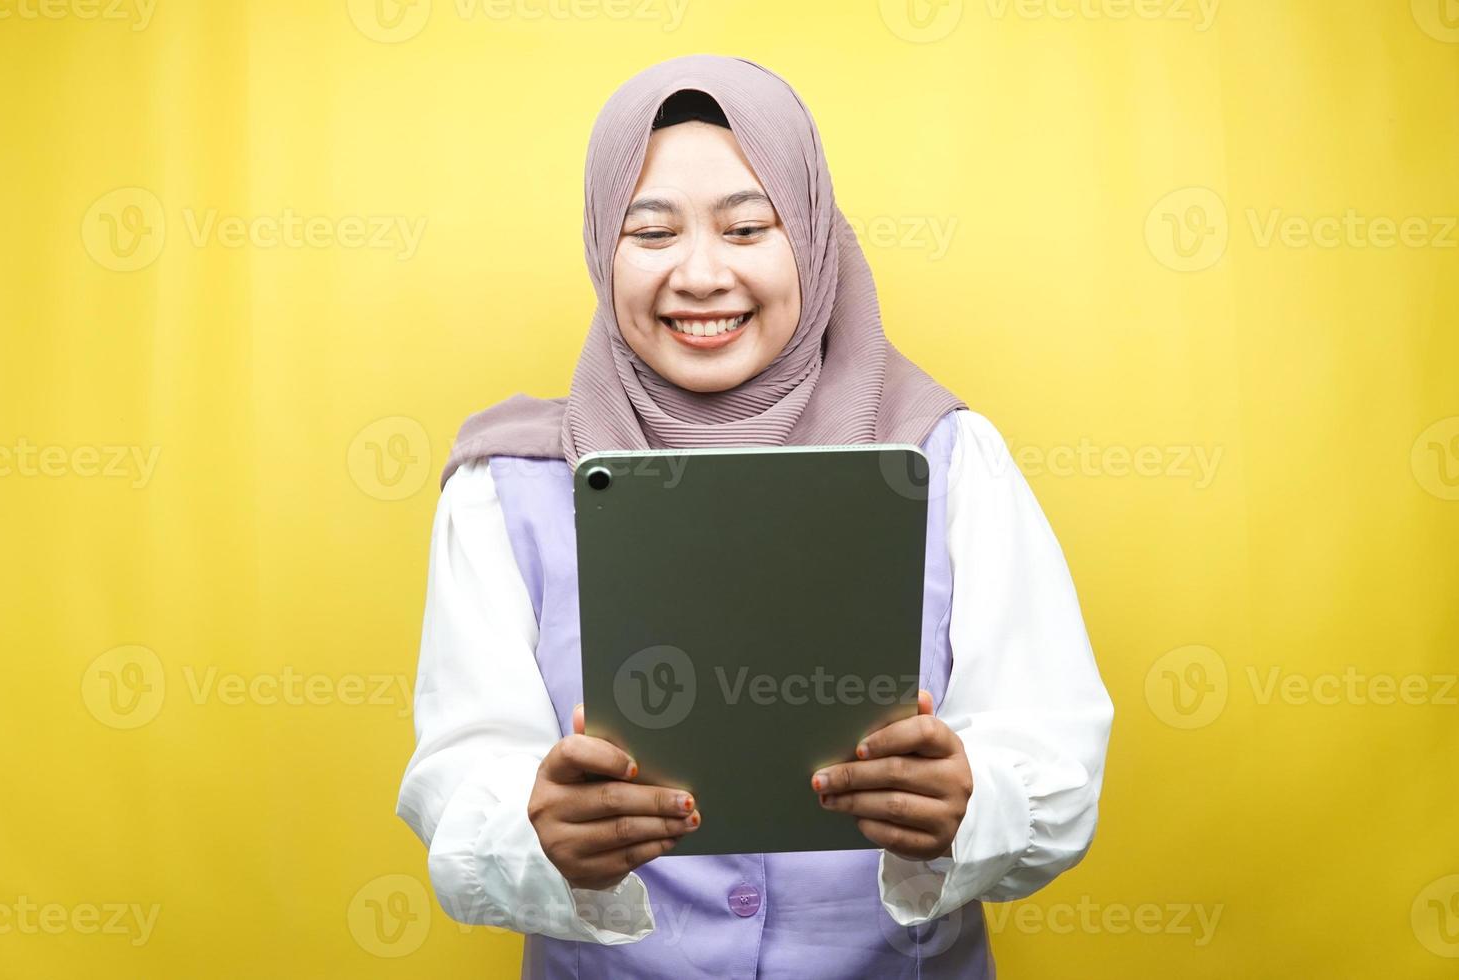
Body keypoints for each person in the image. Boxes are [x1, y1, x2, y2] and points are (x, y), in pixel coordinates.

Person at [395, 53, 1114, 979]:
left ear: (810, 235)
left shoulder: (946, 458)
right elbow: (464, 773)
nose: (700, 275)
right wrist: (531, 825)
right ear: (599, 249)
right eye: (649, 232)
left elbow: (1050, 747)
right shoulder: (506, 486)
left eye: (747, 227)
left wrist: (974, 799)